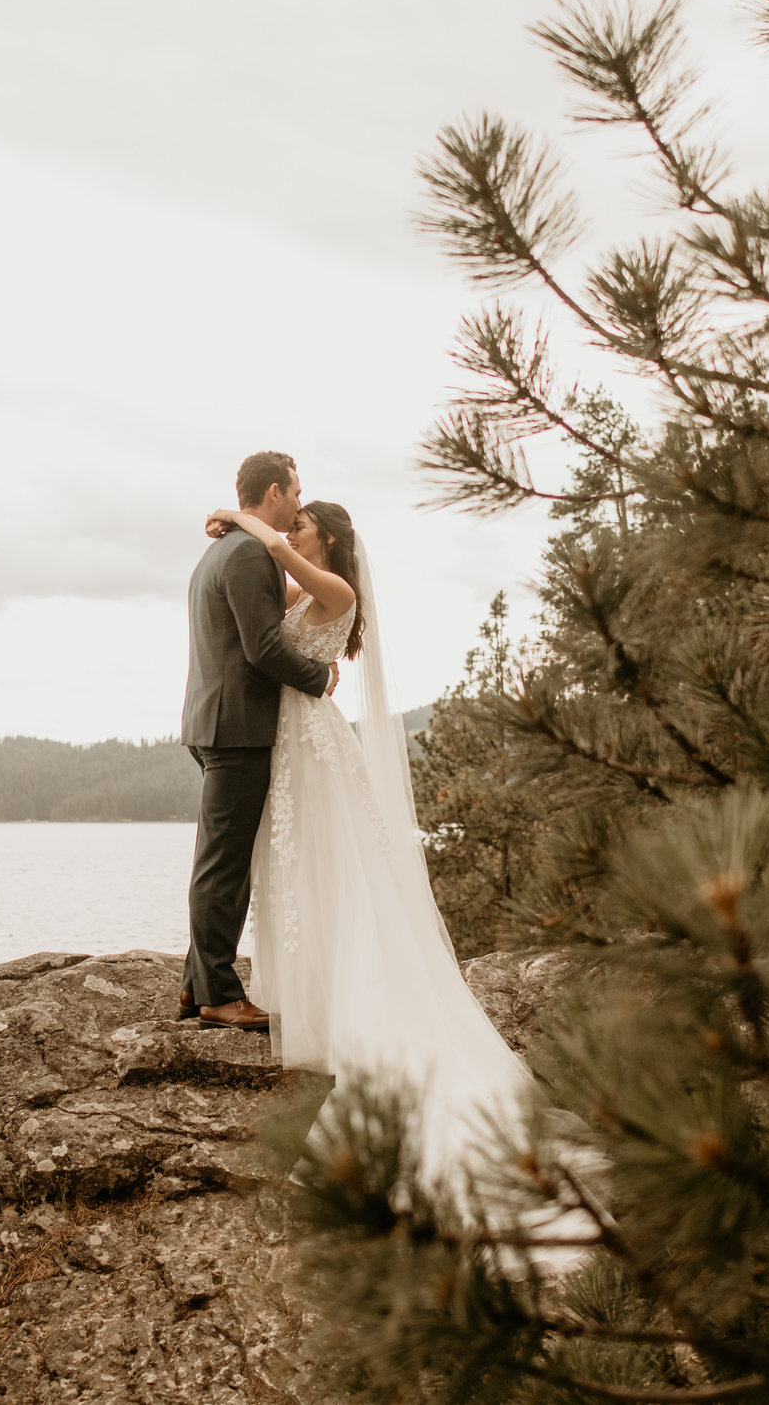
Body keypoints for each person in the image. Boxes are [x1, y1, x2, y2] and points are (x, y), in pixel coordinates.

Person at [199, 492, 534, 1189]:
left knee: (333, 866)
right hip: (283, 737)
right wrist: (238, 529)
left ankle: (350, 1007)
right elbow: (266, 602)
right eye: (290, 518)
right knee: (294, 869)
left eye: (302, 523)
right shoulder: (299, 578)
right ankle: (305, 990)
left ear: (325, 535)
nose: (292, 528)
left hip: (312, 742)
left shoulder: (336, 584)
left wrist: (237, 518)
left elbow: (278, 555)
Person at [177, 452, 333, 1032]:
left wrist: (236, 519)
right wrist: (320, 678)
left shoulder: (227, 547)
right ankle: (218, 992)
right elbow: (262, 648)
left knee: (219, 857)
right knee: (224, 864)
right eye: (295, 492)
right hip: (236, 727)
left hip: (217, 720)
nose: (298, 503)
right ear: (274, 491)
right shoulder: (245, 554)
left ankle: (198, 985)